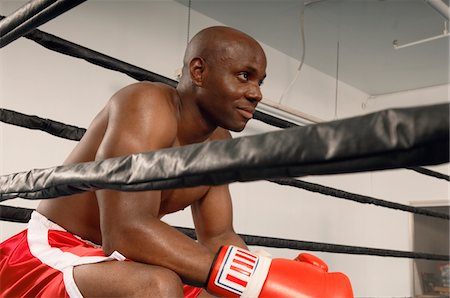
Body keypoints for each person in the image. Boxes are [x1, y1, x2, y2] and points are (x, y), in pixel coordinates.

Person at [1, 26, 353, 297]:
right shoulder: (146, 105)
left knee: (228, 292)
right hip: (55, 251)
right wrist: (259, 277)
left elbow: (218, 235)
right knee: (159, 284)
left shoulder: (218, 144)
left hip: (118, 262)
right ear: (199, 72)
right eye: (244, 75)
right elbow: (125, 230)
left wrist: (272, 278)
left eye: (260, 81)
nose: (257, 93)